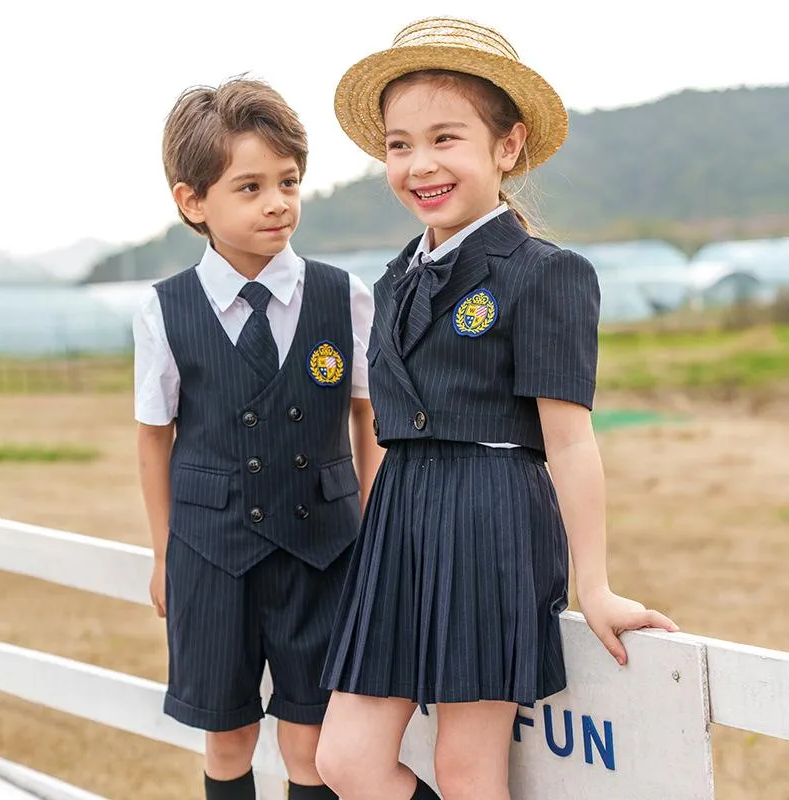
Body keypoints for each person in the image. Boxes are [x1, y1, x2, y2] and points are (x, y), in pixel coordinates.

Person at [316, 17, 678, 800]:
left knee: (466, 769)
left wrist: (597, 583)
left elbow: (572, 443)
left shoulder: (545, 273)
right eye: (399, 144)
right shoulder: (393, 281)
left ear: (506, 147)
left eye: (446, 138)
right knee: (344, 759)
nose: (420, 165)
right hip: (399, 522)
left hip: (491, 517)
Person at [133, 77, 382, 800]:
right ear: (193, 202)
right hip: (212, 552)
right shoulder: (164, 308)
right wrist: (162, 552)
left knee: (312, 743)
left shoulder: (344, 295)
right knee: (229, 738)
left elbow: (369, 422)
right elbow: (155, 437)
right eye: (249, 187)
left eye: (289, 181)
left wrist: (371, 532)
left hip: (327, 548)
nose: (277, 202)